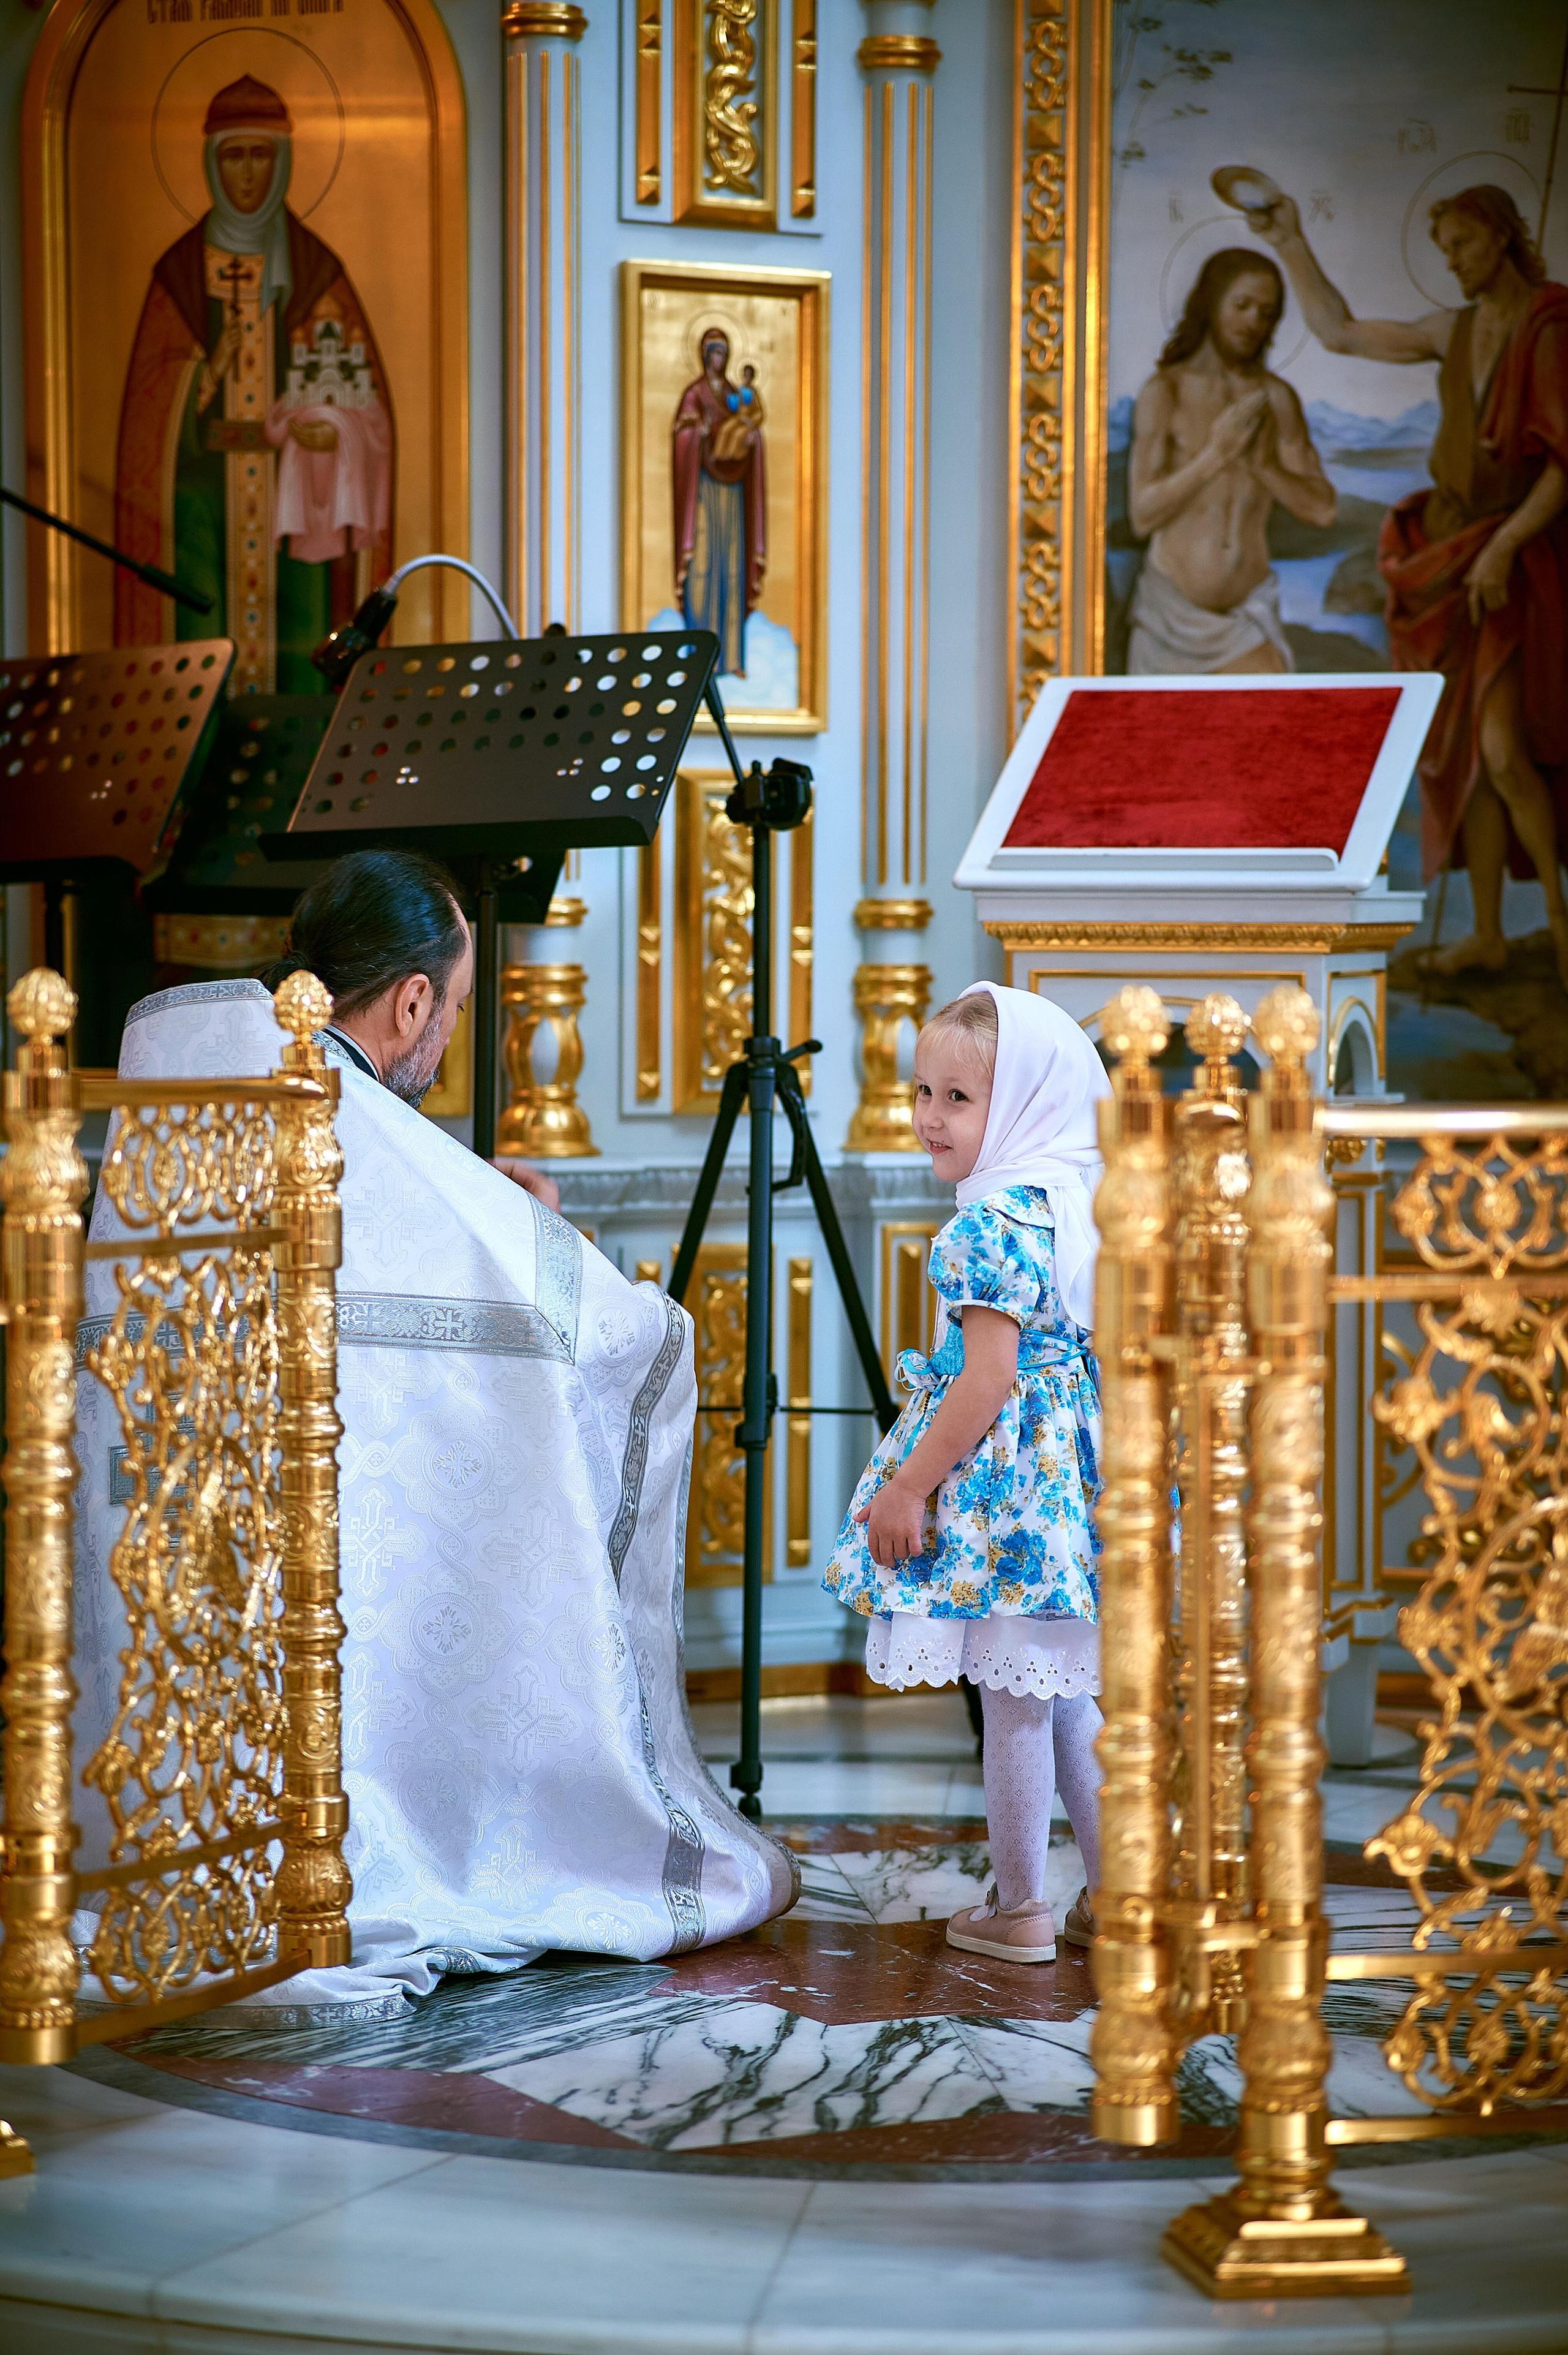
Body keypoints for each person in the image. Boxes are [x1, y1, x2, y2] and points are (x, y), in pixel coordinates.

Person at [72, 848, 796, 2019]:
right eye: (452, 1011)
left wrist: (495, 1214)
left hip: (173, 1647)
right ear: (412, 1000)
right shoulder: (344, 1116)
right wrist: (535, 1235)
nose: (446, 1039)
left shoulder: (205, 1093)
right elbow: (618, 1337)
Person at [822, 985, 1109, 1965]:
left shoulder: (987, 1227)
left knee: (1016, 1699)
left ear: (1023, 1105)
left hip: (1003, 1509)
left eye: (957, 1098)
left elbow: (986, 1382)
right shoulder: (1073, 1208)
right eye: (922, 1091)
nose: (928, 1118)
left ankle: (1022, 1906)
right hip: (1065, 1499)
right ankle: (1117, 1902)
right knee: (1068, 1693)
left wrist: (909, 1489)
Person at [1252, 183, 1568, 986]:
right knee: (1467, 748)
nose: (1452, 262)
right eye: (1444, 249)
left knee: (1501, 747)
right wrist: (1290, 236)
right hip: (1458, 553)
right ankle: (1492, 934)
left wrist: (1505, 550)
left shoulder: (1550, 325)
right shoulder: (1454, 331)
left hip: (1520, 560)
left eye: (1461, 244)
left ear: (1498, 237)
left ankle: (1561, 929)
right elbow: (1342, 332)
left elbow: (1566, 464)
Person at [115, 74, 393, 694]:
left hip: (294, 505)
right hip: (202, 506)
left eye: (260, 154)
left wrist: (333, 431)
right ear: (212, 165)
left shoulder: (317, 272)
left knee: (300, 654)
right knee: (202, 647)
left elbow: (360, 399)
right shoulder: (180, 273)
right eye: (233, 156)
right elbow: (149, 411)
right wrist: (209, 369)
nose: (247, 173)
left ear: (284, 161)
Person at [1126, 248, 1335, 673]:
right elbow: (1142, 515)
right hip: (1169, 617)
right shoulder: (1166, 392)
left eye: (1265, 313)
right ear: (1210, 303)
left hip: (1246, 619)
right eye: (1242, 306)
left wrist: (1263, 468)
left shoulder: (1276, 400)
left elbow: (1323, 509)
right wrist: (1214, 457)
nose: (1253, 323)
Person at [671, 327, 766, 676]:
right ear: (703, 355)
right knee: (703, 567)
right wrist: (700, 433)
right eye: (714, 353)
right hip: (702, 495)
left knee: (731, 569)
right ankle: (701, 659)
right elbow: (682, 433)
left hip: (732, 496)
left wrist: (752, 439)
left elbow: (749, 422)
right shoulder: (694, 395)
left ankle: (732, 659)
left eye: (723, 355)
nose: (719, 360)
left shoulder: (734, 394)